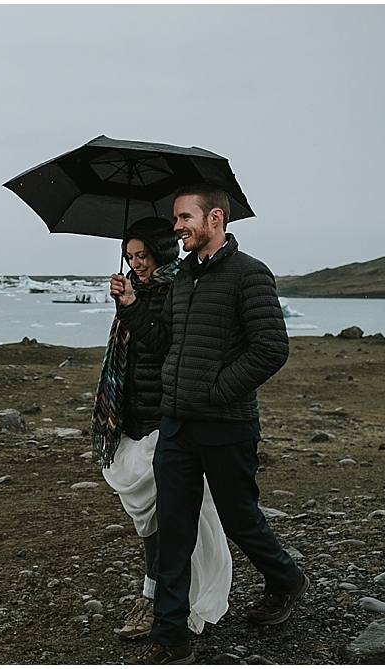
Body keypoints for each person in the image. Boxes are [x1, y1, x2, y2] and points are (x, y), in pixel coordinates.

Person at [111, 184, 308, 665]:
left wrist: (217, 392)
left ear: (214, 218)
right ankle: (171, 633)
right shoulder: (181, 280)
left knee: (241, 519)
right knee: (175, 528)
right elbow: (161, 344)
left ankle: (285, 579)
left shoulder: (249, 274)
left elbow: (271, 348)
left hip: (226, 425)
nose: (175, 227)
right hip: (177, 426)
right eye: (176, 219)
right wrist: (132, 306)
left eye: (183, 218)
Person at [91, 218, 231, 645]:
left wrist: (132, 304)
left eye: (143, 255)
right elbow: (128, 355)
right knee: (148, 518)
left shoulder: (177, 288)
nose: (136, 263)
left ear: (161, 252)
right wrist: (128, 303)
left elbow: (163, 344)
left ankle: (156, 599)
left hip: (164, 421)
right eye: (130, 257)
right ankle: (162, 594)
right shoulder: (138, 291)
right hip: (131, 420)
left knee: (163, 518)